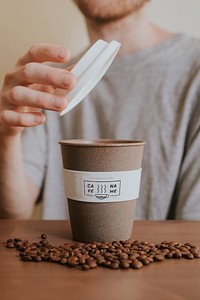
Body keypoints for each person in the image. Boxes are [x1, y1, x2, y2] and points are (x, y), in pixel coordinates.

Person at [0, 0, 199, 220]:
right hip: (62, 252)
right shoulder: (48, 86)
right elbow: (13, 213)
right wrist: (6, 137)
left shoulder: (194, 71)